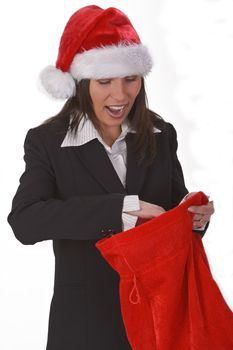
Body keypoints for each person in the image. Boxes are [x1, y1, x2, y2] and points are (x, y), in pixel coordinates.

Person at [7, 5, 214, 350]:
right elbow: (25, 221)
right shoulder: (48, 142)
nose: (120, 96)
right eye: (105, 82)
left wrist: (193, 218)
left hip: (160, 320)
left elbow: (170, 206)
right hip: (87, 326)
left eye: (130, 79)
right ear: (81, 83)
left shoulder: (162, 134)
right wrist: (119, 211)